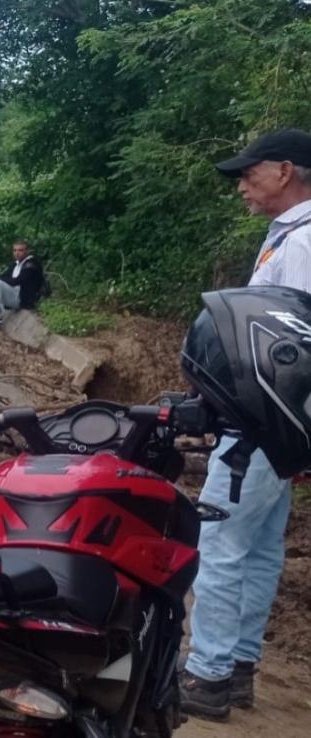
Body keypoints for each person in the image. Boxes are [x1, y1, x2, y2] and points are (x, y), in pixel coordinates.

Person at [180, 128, 311, 722]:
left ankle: (206, 675)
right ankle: (236, 670)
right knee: (257, 548)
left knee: (222, 542)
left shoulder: (304, 242)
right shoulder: (291, 234)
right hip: (280, 425)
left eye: (249, 173)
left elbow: (293, 347)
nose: (242, 185)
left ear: (286, 171)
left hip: (264, 422)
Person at [0, 239, 45, 327]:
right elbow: (4, 276)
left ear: (27, 251)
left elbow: (17, 281)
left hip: (22, 299)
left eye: (20, 250)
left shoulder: (31, 265)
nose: (17, 253)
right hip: (14, 294)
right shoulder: (16, 264)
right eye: (15, 250)